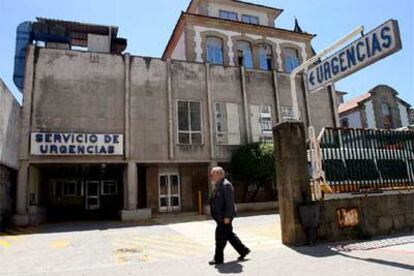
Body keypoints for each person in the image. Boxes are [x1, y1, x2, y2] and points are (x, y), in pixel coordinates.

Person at [208, 167, 250, 265]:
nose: (211, 177)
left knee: (219, 238)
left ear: (219, 174)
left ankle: (218, 259)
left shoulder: (226, 185)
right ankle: (243, 250)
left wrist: (227, 216)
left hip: (224, 217)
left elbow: (230, 203)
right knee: (229, 235)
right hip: (220, 217)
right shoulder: (219, 185)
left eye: (212, 175)